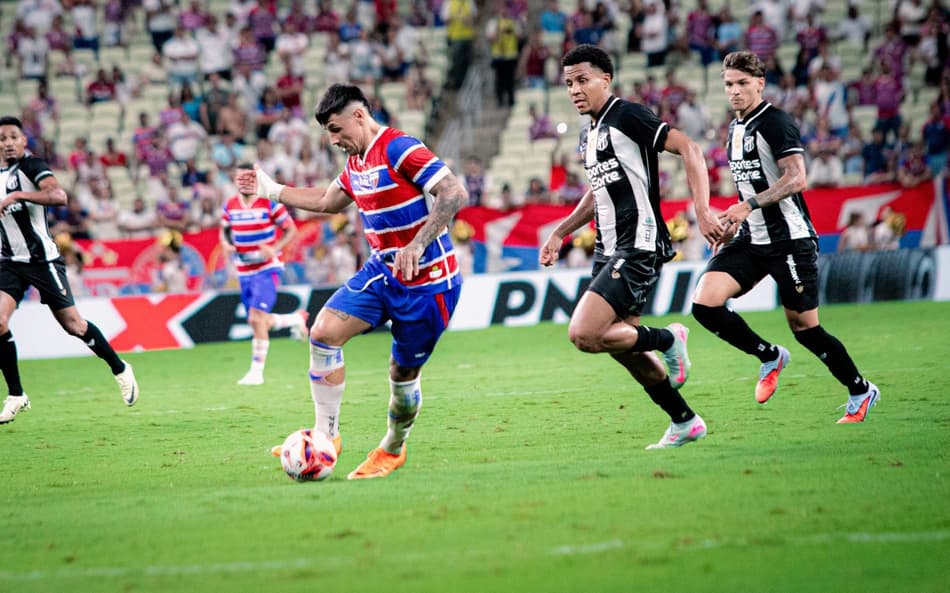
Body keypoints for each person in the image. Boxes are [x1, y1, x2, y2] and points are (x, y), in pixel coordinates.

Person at [237, 84, 467, 480]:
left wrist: (418, 243)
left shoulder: (399, 147)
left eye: (336, 129)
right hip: (382, 273)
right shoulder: (357, 162)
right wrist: (272, 190)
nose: (334, 140)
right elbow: (327, 202)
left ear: (359, 116)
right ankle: (326, 438)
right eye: (328, 133)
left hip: (429, 283)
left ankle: (393, 448)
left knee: (401, 375)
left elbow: (453, 192)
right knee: (323, 334)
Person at [539, 45, 721, 450]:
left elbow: (689, 148)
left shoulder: (628, 115)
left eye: (583, 80)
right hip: (608, 249)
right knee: (622, 346)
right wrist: (560, 232)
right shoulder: (591, 132)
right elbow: (597, 190)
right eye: (569, 83)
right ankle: (684, 421)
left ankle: (669, 339)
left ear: (607, 78)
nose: (574, 90)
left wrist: (703, 211)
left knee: (584, 334)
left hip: (637, 244)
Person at [690, 51, 879, 425]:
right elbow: (752, 182)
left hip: (791, 240)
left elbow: (797, 179)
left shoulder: (776, 122)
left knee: (805, 329)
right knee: (704, 304)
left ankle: (860, 390)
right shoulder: (734, 128)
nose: (735, 91)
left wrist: (747, 205)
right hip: (751, 238)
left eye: (743, 83)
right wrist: (733, 224)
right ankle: (769, 355)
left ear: (760, 83)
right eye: (729, 84)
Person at [0, 116, 138, 425]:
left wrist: (18, 195)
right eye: (2, 138)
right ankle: (16, 394)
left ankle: (119, 368)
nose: (7, 143)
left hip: (43, 261)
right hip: (9, 262)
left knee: (74, 326)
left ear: (23, 141)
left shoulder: (32, 167)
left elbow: (59, 196)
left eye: (13, 137)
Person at [220, 164, 308, 386]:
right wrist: (227, 245)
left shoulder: (268, 203)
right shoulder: (230, 206)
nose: (244, 182)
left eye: (248, 177)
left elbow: (291, 230)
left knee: (255, 318)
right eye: (239, 178)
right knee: (258, 321)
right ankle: (295, 319)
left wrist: (276, 247)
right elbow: (224, 232)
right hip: (243, 270)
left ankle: (256, 372)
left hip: (266, 268)